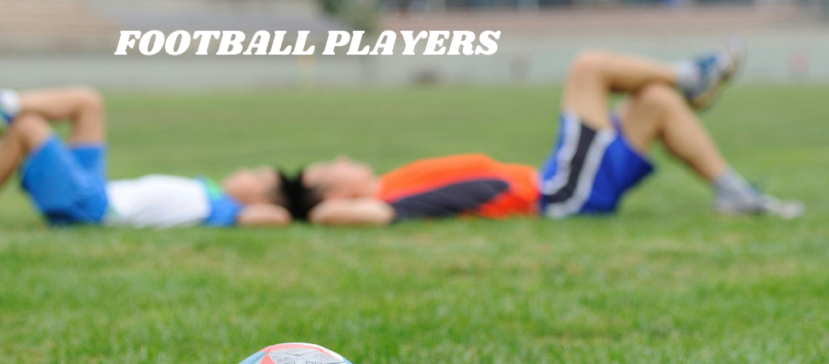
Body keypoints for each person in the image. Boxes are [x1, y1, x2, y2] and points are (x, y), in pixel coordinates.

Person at [288, 43, 805, 226]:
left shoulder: (388, 181)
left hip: (560, 185)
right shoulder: (385, 200)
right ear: (336, 192)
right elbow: (337, 216)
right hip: (559, 194)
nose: (341, 156)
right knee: (588, 68)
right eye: (330, 168)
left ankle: (733, 192)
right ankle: (694, 74)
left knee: (654, 104)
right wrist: (306, 209)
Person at [0, 76, 297, 233]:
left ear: (260, 198)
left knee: (28, 127)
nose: (246, 171)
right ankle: (4, 102)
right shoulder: (211, 191)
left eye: (257, 177)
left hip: (94, 208)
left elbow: (280, 217)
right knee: (88, 102)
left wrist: (304, 200)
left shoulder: (230, 211)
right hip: (97, 189)